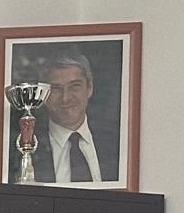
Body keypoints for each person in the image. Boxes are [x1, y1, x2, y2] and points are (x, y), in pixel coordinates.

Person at [29, 53, 119, 183]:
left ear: (89, 88)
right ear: (43, 94)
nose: (65, 98)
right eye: (56, 89)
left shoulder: (116, 141)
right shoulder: (25, 146)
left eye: (75, 86)